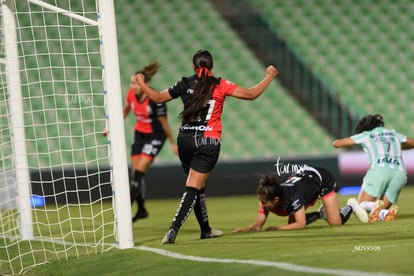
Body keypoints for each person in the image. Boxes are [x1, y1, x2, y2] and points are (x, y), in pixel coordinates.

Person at [135, 50, 278, 244]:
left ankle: (205, 230)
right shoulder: (221, 84)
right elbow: (252, 94)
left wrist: (143, 83)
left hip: (185, 140)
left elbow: (158, 98)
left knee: (197, 186)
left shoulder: (184, 83)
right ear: (211, 67)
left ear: (193, 67)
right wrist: (269, 76)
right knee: (193, 186)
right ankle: (173, 229)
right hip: (208, 141)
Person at [232, 165, 368, 233]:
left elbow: (300, 224)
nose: (261, 205)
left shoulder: (293, 197)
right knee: (291, 222)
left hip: (320, 178)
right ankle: (320, 213)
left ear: (275, 200)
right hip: (303, 182)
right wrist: (244, 229)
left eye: (263, 202)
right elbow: (257, 226)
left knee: (335, 223)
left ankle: (350, 205)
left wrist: (277, 228)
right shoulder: (270, 196)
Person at [332, 114, 414, 222]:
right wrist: (398, 147)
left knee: (360, 206)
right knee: (378, 211)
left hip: (379, 171)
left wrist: (359, 141)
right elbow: (412, 142)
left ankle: (374, 207)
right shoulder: (393, 134)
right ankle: (384, 213)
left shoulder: (367, 135)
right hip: (400, 173)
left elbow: (337, 144)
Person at [124, 61, 178, 222]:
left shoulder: (155, 99)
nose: (133, 87)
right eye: (131, 83)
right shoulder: (131, 95)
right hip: (139, 135)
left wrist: (172, 143)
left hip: (155, 136)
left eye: (136, 83)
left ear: (144, 84)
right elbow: (124, 111)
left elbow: (164, 123)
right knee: (135, 176)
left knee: (139, 173)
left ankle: (125, 214)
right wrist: (110, 128)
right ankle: (141, 210)